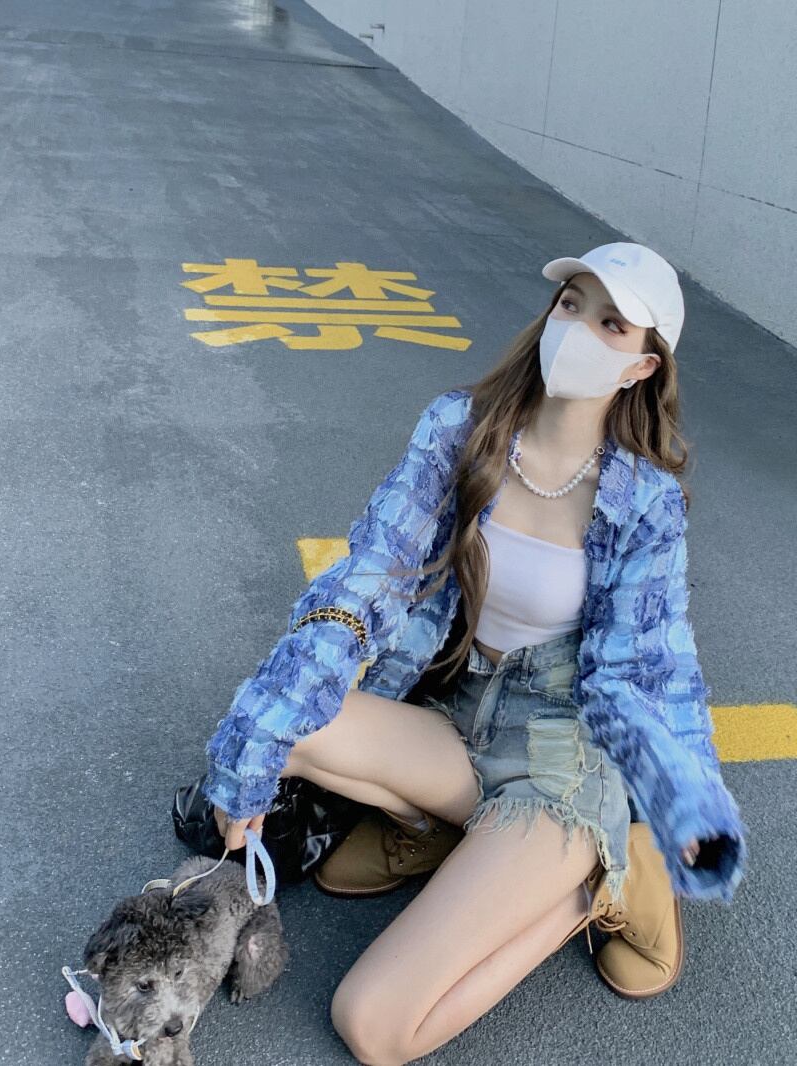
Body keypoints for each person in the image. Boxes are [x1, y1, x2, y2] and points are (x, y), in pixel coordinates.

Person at [206, 242, 748, 1065]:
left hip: (558, 760)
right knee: (281, 726)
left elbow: (651, 672)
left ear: (641, 366)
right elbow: (369, 577)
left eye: (611, 324)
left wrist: (685, 804)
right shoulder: (461, 427)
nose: (577, 329)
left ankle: (602, 882)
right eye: (571, 304)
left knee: (372, 1024)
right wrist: (253, 747)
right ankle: (446, 832)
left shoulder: (645, 502)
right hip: (459, 714)